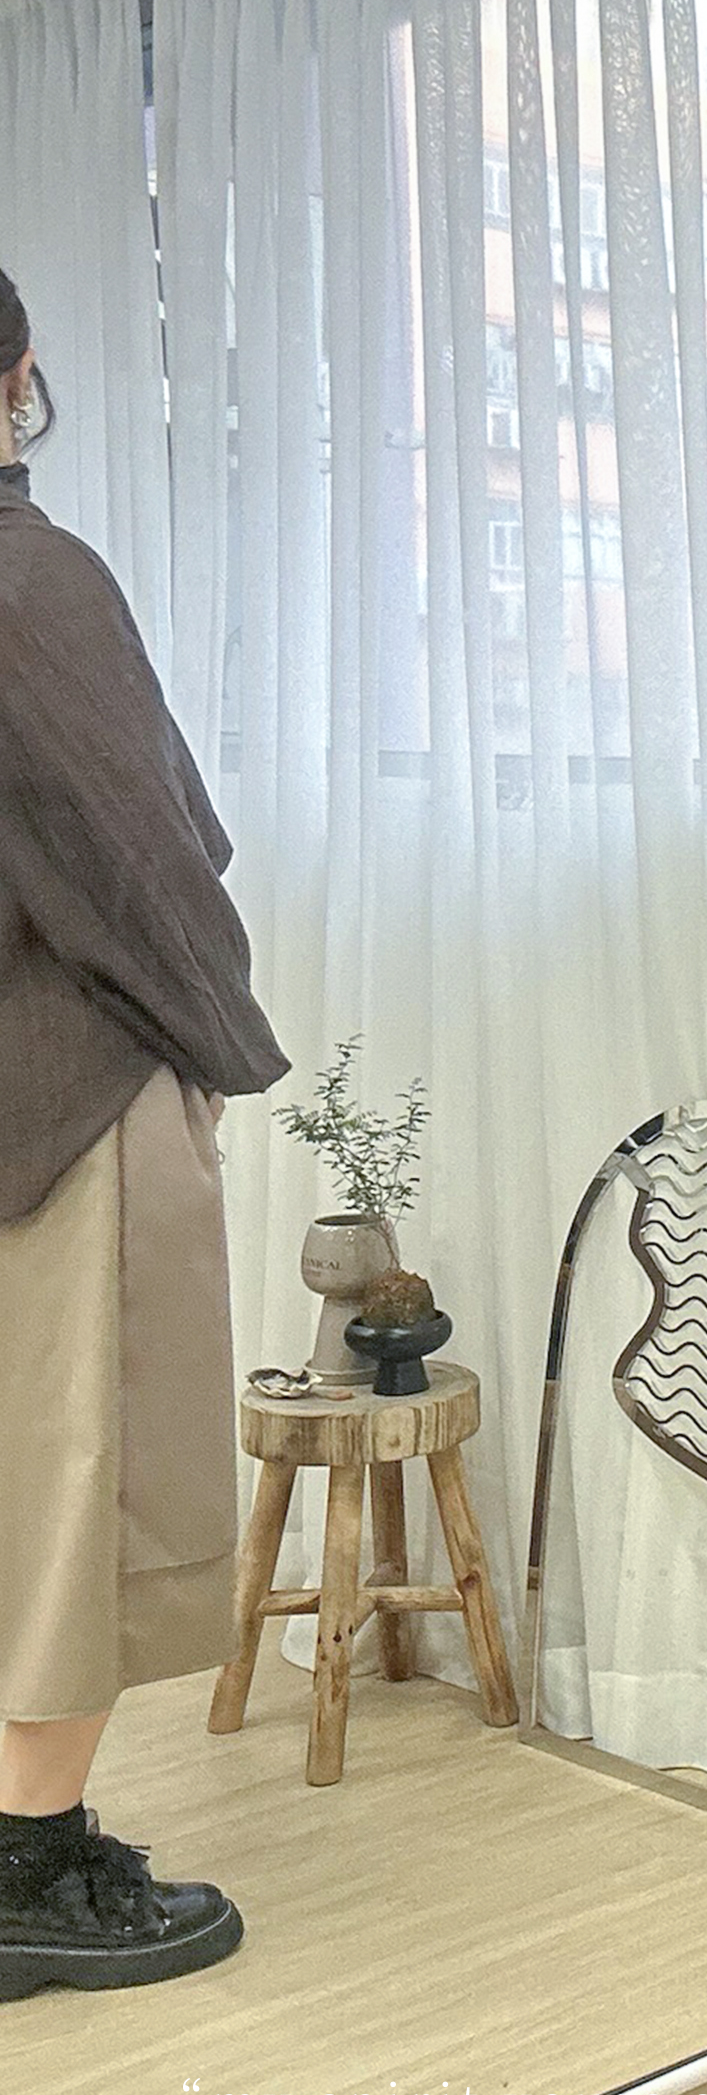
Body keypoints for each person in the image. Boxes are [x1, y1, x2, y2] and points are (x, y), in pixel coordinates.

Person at [0, 267, 292, 2003]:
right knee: (76, 1492)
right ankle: (27, 1872)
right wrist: (218, 1049)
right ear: (20, 374)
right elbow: (148, 859)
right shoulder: (30, 580)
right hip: (61, 1100)